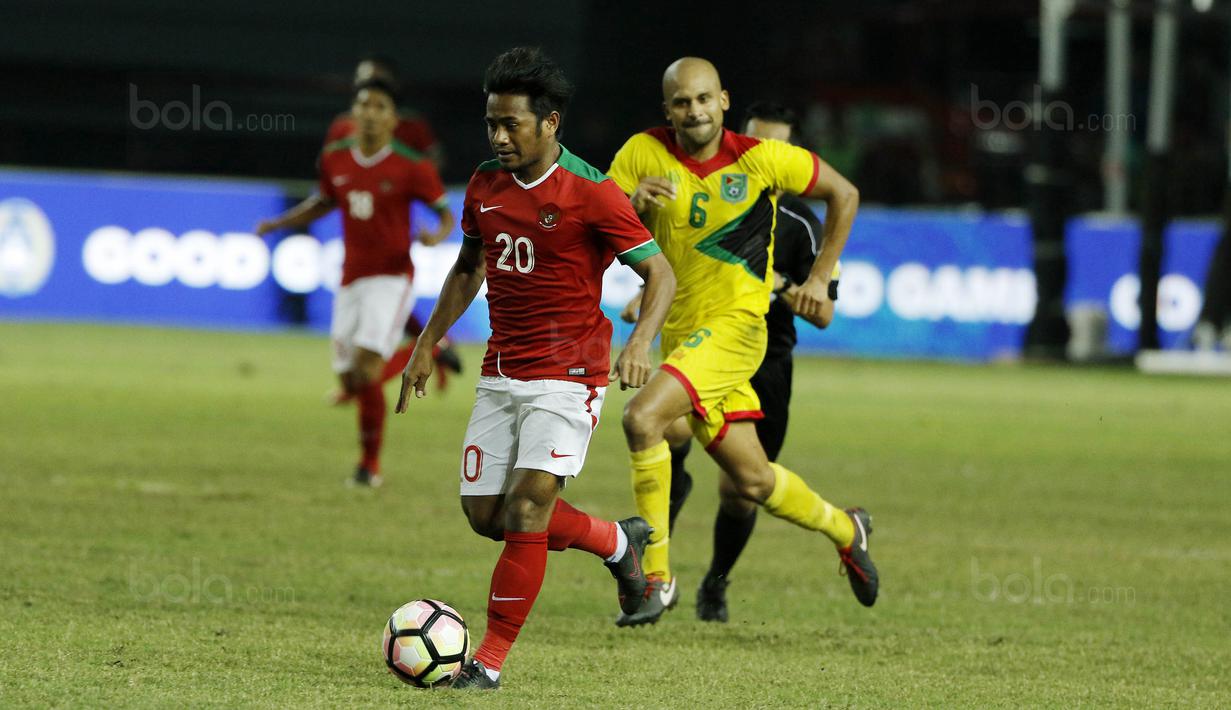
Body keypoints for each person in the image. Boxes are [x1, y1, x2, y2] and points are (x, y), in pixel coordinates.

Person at [395, 47, 675, 690]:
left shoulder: (593, 192)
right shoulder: (484, 186)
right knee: (486, 517)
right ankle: (615, 542)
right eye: (491, 122)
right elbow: (469, 268)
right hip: (503, 369)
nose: (498, 136)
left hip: (570, 373)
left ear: (550, 123)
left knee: (526, 508)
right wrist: (427, 342)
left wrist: (638, 343)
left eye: (511, 124)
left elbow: (660, 273)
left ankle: (487, 664)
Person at [607, 57, 877, 627]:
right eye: (681, 102)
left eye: (703, 99)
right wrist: (630, 208)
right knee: (751, 480)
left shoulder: (761, 158)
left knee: (641, 419)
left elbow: (844, 192)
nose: (694, 111)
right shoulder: (640, 153)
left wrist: (820, 275)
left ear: (723, 101)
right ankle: (844, 528)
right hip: (683, 334)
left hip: (736, 332)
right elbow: (600, 233)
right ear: (668, 109)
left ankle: (655, 577)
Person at [256, 77, 454, 487]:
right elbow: (324, 201)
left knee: (365, 371)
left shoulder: (411, 165)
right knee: (349, 379)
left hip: (392, 277)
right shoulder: (335, 158)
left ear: (393, 119)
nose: (369, 113)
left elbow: (445, 214)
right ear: (354, 112)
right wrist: (279, 222)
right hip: (350, 278)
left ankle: (369, 467)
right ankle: (433, 352)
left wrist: (434, 237)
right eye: (363, 104)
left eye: (380, 106)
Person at [321, 55, 461, 394]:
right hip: (355, 252)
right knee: (355, 363)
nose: (370, 108)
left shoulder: (410, 129)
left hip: (393, 248)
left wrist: (416, 186)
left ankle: (414, 357)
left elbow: (431, 168)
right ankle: (433, 349)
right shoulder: (342, 129)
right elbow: (332, 181)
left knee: (371, 350)